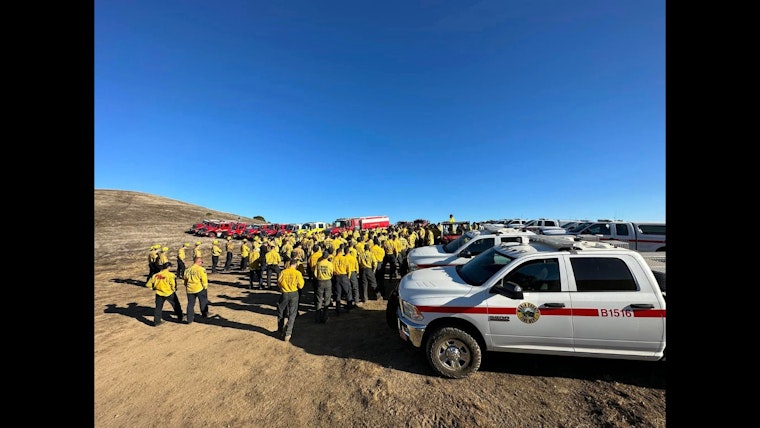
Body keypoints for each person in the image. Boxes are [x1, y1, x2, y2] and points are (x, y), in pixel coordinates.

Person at [145, 262, 183, 326]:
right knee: (176, 305)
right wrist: (173, 289)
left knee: (158, 308)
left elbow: (148, 285)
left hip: (159, 293)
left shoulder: (155, 275)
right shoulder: (170, 275)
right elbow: (173, 284)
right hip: (169, 293)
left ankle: (157, 321)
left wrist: (154, 288)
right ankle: (180, 317)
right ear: (168, 267)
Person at [276, 259, 305, 342]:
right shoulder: (297, 273)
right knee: (292, 314)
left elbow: (278, 282)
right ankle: (288, 333)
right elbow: (301, 286)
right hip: (294, 293)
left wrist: (282, 288)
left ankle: (280, 329)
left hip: (284, 293)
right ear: (295, 265)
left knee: (281, 311)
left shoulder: (283, 272)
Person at [183, 256, 209, 323]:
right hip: (199, 288)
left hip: (190, 289)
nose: (202, 263)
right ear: (198, 262)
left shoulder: (188, 270)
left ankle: (189, 319)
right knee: (203, 301)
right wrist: (205, 287)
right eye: (201, 262)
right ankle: (204, 314)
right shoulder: (201, 269)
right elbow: (204, 279)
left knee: (190, 304)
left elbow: (185, 280)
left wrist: (186, 285)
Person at [313, 253, 334, 323]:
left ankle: (317, 318)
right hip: (327, 281)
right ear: (328, 256)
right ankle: (325, 317)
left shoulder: (318, 264)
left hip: (320, 282)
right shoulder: (330, 264)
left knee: (319, 300)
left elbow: (315, 274)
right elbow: (331, 273)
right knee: (327, 300)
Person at [332, 245, 352, 315]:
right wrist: (348, 277)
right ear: (341, 252)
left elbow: (332, 269)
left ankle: (338, 309)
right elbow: (348, 269)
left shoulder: (334, 259)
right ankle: (349, 307)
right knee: (348, 292)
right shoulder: (345, 258)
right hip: (344, 276)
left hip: (337, 276)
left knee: (338, 293)